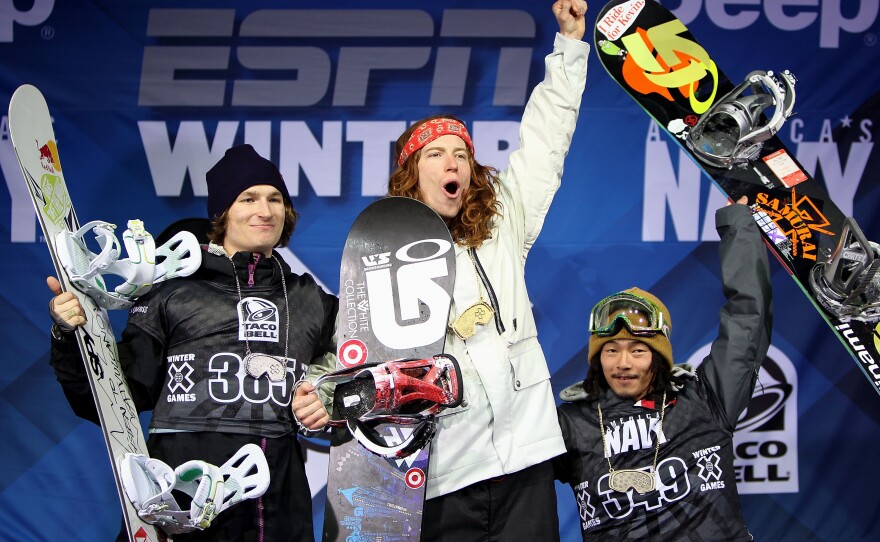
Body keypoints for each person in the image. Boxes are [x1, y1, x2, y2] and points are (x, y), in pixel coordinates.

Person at [47, 144, 337, 542]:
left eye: (275, 199)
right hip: (183, 494)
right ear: (222, 213)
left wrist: (327, 398)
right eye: (248, 198)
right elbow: (119, 396)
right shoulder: (173, 291)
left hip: (278, 502)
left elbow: (355, 369)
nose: (265, 210)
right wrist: (70, 336)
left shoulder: (312, 299)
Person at [383, 1, 589, 540]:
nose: (452, 161)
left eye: (461, 152)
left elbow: (545, 142)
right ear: (411, 173)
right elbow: (358, 351)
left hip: (525, 458)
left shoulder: (503, 226)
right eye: (434, 154)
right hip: (444, 471)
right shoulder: (382, 257)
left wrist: (569, 47)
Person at [553, 199, 773, 541]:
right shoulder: (569, 423)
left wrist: (738, 227)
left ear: (659, 357)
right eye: (611, 350)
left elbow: (748, 323)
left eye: (638, 350)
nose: (623, 363)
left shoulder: (706, 399)